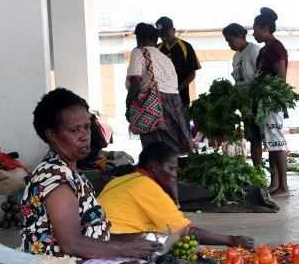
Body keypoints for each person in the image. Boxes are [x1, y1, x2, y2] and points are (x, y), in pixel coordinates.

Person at [23, 88, 163, 264]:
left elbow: (91, 234)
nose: (84, 136)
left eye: (86, 127)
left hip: (80, 256)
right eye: (74, 130)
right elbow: (71, 243)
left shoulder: (73, 173)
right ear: (51, 135)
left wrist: (134, 239)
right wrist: (126, 248)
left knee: (156, 257)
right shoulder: (55, 179)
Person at [99, 141, 256, 249]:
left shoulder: (123, 180)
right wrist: (231, 240)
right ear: (154, 167)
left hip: (98, 239)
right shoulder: (147, 187)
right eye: (171, 169)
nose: (174, 175)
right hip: (115, 243)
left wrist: (173, 194)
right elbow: (186, 230)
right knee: (172, 242)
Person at [126, 23, 193, 155]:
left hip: (152, 102)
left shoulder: (139, 51)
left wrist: (128, 104)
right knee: (172, 148)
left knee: (154, 150)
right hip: (175, 104)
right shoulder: (165, 58)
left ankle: (155, 174)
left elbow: (135, 82)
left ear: (139, 38)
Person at [253, 7, 290, 197]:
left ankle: (283, 185)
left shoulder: (275, 48)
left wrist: (269, 93)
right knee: (272, 144)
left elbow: (281, 77)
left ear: (265, 28)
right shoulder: (265, 49)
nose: (253, 33)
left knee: (277, 142)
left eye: (255, 29)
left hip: (272, 101)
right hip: (264, 101)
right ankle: (275, 182)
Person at [223, 22, 263, 169]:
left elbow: (260, 77)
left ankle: (260, 170)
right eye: (227, 41)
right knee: (252, 137)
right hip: (243, 102)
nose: (229, 44)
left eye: (230, 40)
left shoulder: (254, 51)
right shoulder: (236, 56)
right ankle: (257, 169)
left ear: (240, 36)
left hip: (255, 101)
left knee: (257, 138)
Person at [156, 16, 201, 113]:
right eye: (160, 33)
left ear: (173, 30)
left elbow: (191, 74)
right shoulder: (157, 48)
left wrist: (176, 90)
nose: (163, 36)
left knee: (182, 127)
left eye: (165, 32)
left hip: (181, 100)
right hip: (160, 101)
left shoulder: (186, 47)